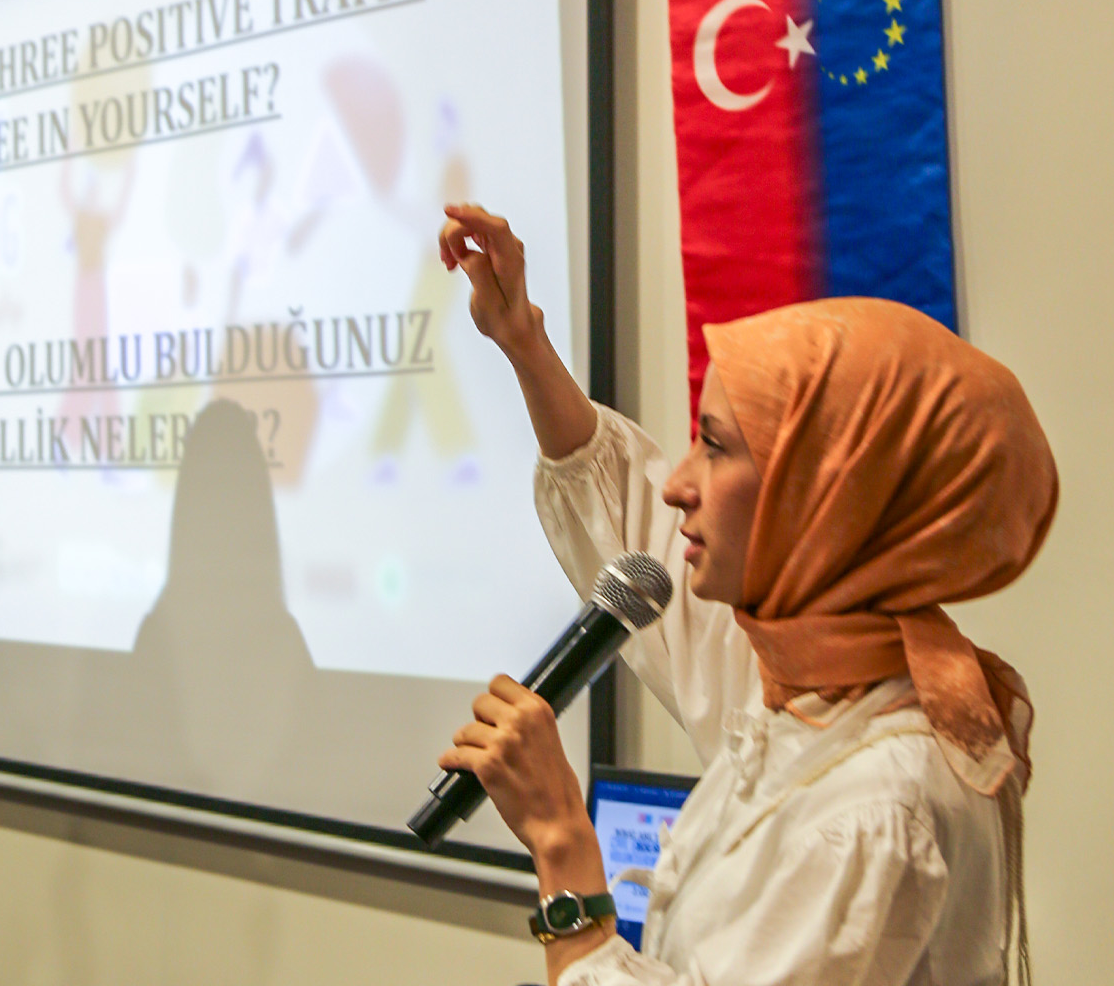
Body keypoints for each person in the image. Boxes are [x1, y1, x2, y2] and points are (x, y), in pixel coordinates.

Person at [434, 205, 1056, 986]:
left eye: (716, 446)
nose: (679, 484)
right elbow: (626, 514)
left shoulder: (876, 799)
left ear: (825, 496)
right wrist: (522, 341)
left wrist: (563, 847)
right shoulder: (806, 685)